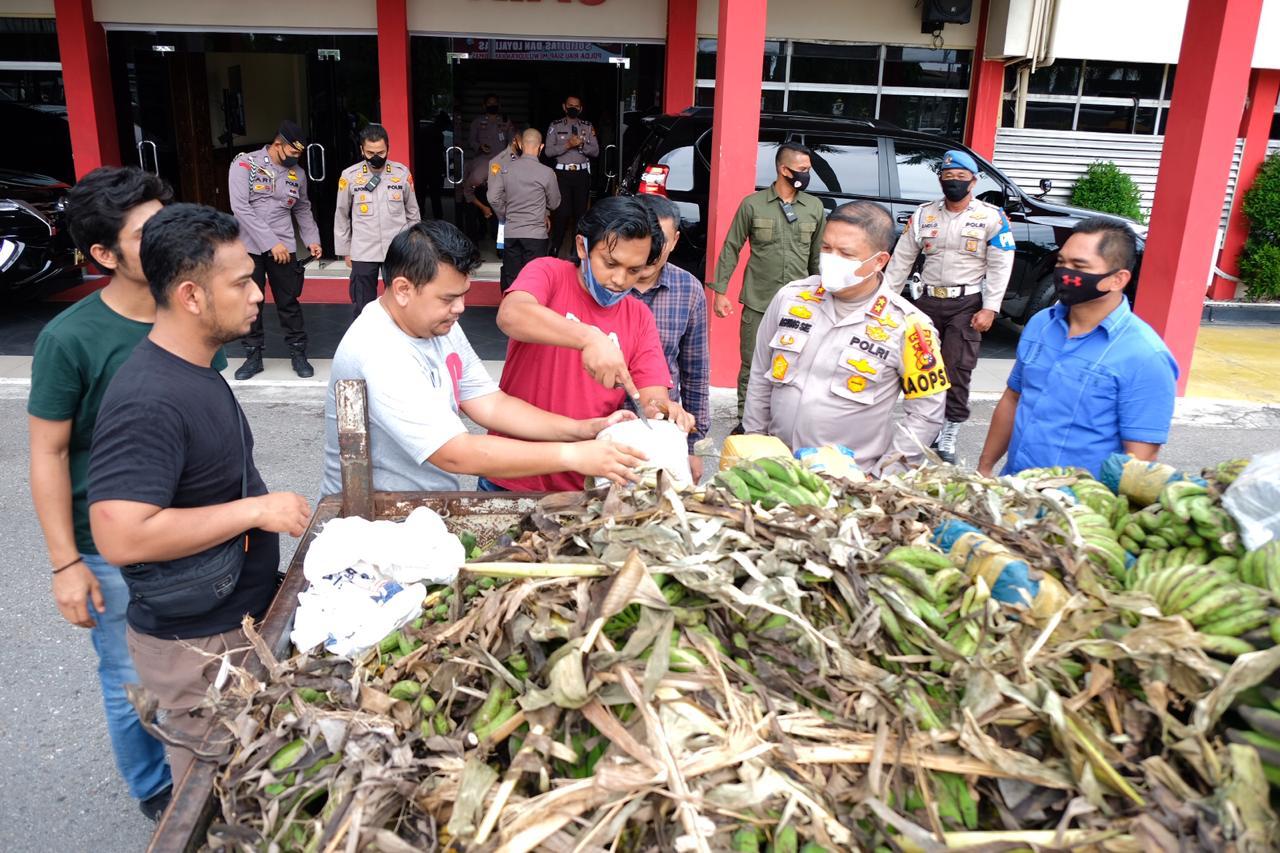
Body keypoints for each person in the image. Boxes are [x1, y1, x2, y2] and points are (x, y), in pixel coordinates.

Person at [88, 204, 311, 784]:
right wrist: (256, 509)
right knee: (214, 794)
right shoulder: (149, 398)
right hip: (200, 649)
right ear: (190, 295)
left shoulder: (196, 368)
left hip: (232, 624)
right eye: (241, 282)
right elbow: (120, 535)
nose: (258, 294)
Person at [27, 166, 191, 820]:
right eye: (148, 232)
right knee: (130, 678)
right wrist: (66, 563)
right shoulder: (70, 339)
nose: (168, 238)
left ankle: (200, 765)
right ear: (103, 254)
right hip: (109, 548)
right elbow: (48, 452)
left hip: (190, 530)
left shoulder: (186, 308)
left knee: (197, 661)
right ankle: (155, 790)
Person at [321, 220, 646, 495]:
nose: (460, 308)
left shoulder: (437, 324)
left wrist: (584, 429)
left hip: (422, 510)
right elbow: (456, 454)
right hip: (375, 524)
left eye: (463, 295)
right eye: (448, 298)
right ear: (403, 289)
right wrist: (574, 455)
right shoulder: (380, 350)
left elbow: (490, 403)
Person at [490, 196, 697, 493]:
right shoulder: (548, 273)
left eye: (634, 270)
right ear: (581, 247)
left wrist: (666, 411)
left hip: (584, 482)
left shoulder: (638, 316)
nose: (619, 279)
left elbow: (651, 398)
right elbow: (511, 314)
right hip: (511, 472)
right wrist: (590, 337)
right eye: (610, 263)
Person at [742, 201, 948, 477]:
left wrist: (883, 475)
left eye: (846, 253)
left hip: (849, 480)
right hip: (775, 469)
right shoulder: (791, 298)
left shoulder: (910, 326)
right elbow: (760, 374)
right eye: (826, 248)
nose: (831, 259)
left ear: (879, 261)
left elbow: (926, 413)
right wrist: (754, 442)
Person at [977, 218, 1177, 479]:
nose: (1064, 273)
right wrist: (985, 468)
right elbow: (1013, 399)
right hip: (1015, 487)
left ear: (1118, 279)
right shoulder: (1041, 325)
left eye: (1079, 266)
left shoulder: (1146, 356)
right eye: (1061, 262)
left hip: (1079, 500)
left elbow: (1140, 457)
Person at [881, 149, 1015, 464]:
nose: (953, 181)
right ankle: (923, 425)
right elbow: (901, 259)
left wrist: (991, 307)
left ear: (974, 181)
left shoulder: (991, 217)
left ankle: (949, 431)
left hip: (966, 304)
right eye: (948, 176)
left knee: (957, 368)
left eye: (960, 177)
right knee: (920, 365)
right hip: (926, 301)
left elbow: (1000, 264)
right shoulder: (923, 215)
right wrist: (885, 300)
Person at [708, 143, 825, 426]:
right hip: (758, 301)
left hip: (799, 304)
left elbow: (817, 258)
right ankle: (745, 422)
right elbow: (731, 247)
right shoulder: (753, 204)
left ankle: (783, 422)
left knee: (796, 364)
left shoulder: (814, 207)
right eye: (802, 169)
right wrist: (720, 292)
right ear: (784, 170)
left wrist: (823, 297)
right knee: (752, 364)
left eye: (808, 169)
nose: (807, 174)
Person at [228, 120, 322, 379]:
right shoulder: (245, 164)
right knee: (251, 301)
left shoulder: (298, 174)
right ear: (278, 144)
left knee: (289, 301)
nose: (296, 158)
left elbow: (302, 207)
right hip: (249, 246)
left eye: (299, 154)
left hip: (284, 245)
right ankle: (253, 356)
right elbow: (240, 208)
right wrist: (271, 243)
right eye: (293, 152)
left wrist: (312, 239)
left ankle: (298, 352)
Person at [631, 194, 710, 481]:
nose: (650, 251)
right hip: (604, 427)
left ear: (675, 240)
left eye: (659, 241)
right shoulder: (607, 285)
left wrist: (693, 447)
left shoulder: (689, 290)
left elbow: (695, 373)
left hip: (661, 431)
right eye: (643, 238)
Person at [334, 123, 421, 318]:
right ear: (361, 150)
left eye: (380, 152)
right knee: (363, 305)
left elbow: (413, 212)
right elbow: (341, 214)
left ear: (388, 149)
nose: (376, 157)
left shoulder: (401, 173)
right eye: (370, 152)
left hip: (397, 248)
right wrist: (345, 250)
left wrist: (414, 245)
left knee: (402, 301)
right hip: (363, 250)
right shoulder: (350, 176)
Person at [488, 128, 560, 291]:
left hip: (511, 232)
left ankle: (510, 304)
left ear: (520, 145)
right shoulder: (547, 173)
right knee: (534, 278)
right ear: (541, 147)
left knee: (512, 277)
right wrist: (543, 211)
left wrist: (505, 214)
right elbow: (555, 203)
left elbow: (492, 197)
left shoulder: (506, 169)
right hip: (535, 235)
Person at [546, 94, 599, 257]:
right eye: (570, 106)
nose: (573, 109)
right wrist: (568, 145)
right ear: (564, 107)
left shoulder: (587, 126)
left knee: (580, 213)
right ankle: (556, 245)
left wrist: (581, 145)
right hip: (562, 174)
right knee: (562, 212)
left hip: (581, 174)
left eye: (576, 106)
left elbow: (596, 151)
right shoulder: (555, 126)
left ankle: (576, 249)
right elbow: (548, 151)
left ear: (580, 109)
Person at [469, 93, 516, 158]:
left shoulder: (506, 121)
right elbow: (471, 140)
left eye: (495, 103)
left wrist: (510, 155)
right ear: (484, 106)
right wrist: (479, 147)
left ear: (499, 106)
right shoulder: (477, 122)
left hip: (501, 158)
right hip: (483, 158)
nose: (492, 105)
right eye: (489, 103)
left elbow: (513, 140)